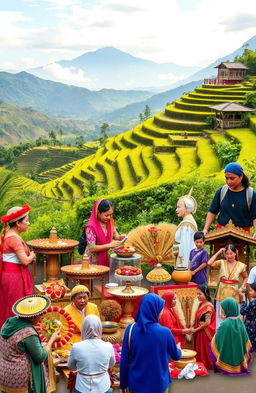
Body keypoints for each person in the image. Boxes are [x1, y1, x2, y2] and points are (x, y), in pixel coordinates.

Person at [120, 293, 181, 393]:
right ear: (155, 310)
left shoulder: (130, 330)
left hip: (136, 385)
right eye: (160, 309)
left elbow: (125, 360)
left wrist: (123, 384)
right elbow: (176, 356)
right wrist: (178, 348)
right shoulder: (165, 332)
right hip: (159, 385)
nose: (161, 312)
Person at [0, 294, 61, 393]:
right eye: (40, 315)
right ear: (33, 316)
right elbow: (39, 357)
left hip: (5, 371)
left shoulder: (8, 324)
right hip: (21, 377)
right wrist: (52, 340)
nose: (41, 317)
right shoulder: (28, 332)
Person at [0, 205, 36, 328]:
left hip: (10, 275)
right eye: (26, 220)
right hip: (14, 278)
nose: (28, 223)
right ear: (17, 223)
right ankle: (16, 335)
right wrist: (32, 255)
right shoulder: (14, 239)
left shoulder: (9, 235)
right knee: (16, 307)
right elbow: (25, 261)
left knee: (9, 305)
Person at [203, 162, 256, 237]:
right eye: (226, 178)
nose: (229, 182)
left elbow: (255, 216)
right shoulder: (222, 191)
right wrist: (205, 229)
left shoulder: (250, 194)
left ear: (241, 176)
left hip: (242, 235)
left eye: (232, 178)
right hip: (221, 233)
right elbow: (212, 211)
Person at [68, 314, 115, 393]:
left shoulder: (76, 347)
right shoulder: (108, 346)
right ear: (99, 328)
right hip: (103, 387)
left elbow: (71, 367)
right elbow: (111, 365)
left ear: (83, 328)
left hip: (82, 388)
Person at [208, 244, 247, 328]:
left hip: (235, 292)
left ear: (235, 253)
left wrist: (242, 287)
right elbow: (209, 263)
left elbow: (245, 277)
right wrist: (218, 252)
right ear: (224, 254)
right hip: (222, 292)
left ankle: (233, 331)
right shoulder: (221, 262)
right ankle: (221, 332)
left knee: (234, 313)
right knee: (221, 314)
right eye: (227, 254)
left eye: (231, 253)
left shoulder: (241, 265)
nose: (229, 256)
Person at [210, 297, 252, 375]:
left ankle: (226, 368)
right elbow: (245, 338)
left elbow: (216, 339)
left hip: (227, 353)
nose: (222, 310)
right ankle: (239, 367)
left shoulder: (225, 323)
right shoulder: (240, 321)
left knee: (213, 345)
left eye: (223, 308)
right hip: (239, 353)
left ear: (228, 309)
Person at [85, 199, 124, 266]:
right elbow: (92, 248)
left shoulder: (109, 223)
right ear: (98, 213)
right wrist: (109, 245)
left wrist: (120, 237)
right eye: (106, 215)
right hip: (93, 260)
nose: (109, 217)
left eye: (111, 215)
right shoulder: (90, 227)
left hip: (105, 256)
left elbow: (115, 235)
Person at [63, 285, 99, 349]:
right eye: (79, 298)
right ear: (73, 299)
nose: (82, 301)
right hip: (75, 340)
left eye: (85, 297)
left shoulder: (93, 307)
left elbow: (97, 327)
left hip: (92, 338)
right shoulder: (65, 312)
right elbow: (65, 334)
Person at [191, 286, 216, 369]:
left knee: (205, 350)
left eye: (200, 294)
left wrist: (195, 329)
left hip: (205, 333)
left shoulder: (208, 307)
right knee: (201, 350)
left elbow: (207, 322)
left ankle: (207, 365)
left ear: (206, 294)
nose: (198, 296)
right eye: (197, 294)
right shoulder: (201, 304)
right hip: (201, 331)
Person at [174, 190, 198, 268]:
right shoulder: (189, 220)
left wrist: (184, 267)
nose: (176, 210)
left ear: (186, 208)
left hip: (186, 263)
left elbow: (186, 247)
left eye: (179, 207)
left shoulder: (186, 224)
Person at [240, 282, 256, 351]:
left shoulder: (253, 303)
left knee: (249, 348)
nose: (249, 292)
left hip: (251, 328)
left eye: (251, 290)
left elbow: (243, 311)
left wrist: (243, 299)